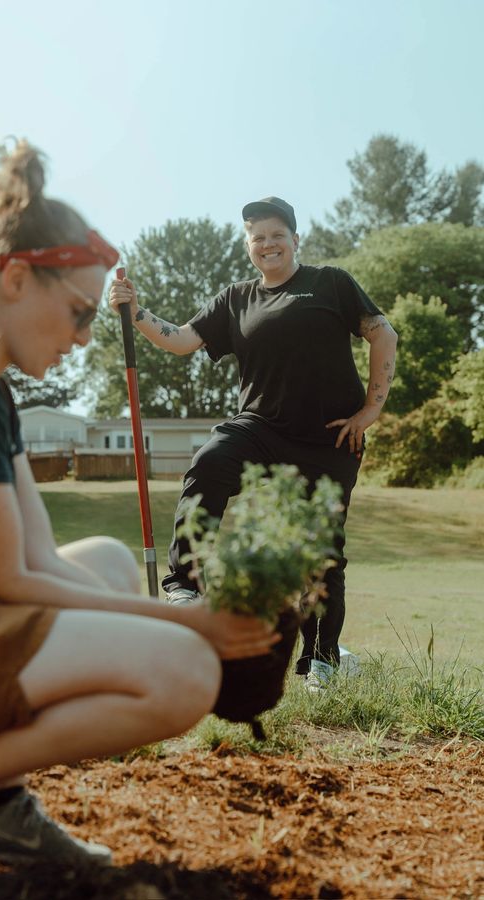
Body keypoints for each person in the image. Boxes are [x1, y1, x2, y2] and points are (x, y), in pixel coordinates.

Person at [0, 144, 279, 897]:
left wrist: (166, 615)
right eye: (79, 311)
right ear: (18, 276)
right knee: (184, 674)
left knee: (101, 559)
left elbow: (35, 562)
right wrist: (191, 626)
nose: (86, 337)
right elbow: (2, 582)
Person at [109, 196, 398, 690]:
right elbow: (180, 339)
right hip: (260, 428)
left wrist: (370, 410)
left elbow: (382, 334)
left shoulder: (330, 282)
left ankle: (322, 660)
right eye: (257, 237)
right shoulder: (236, 298)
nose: (268, 244)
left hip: (328, 439)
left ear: (294, 239)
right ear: (248, 246)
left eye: (276, 234)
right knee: (211, 460)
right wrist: (136, 312)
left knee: (319, 549)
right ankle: (185, 585)